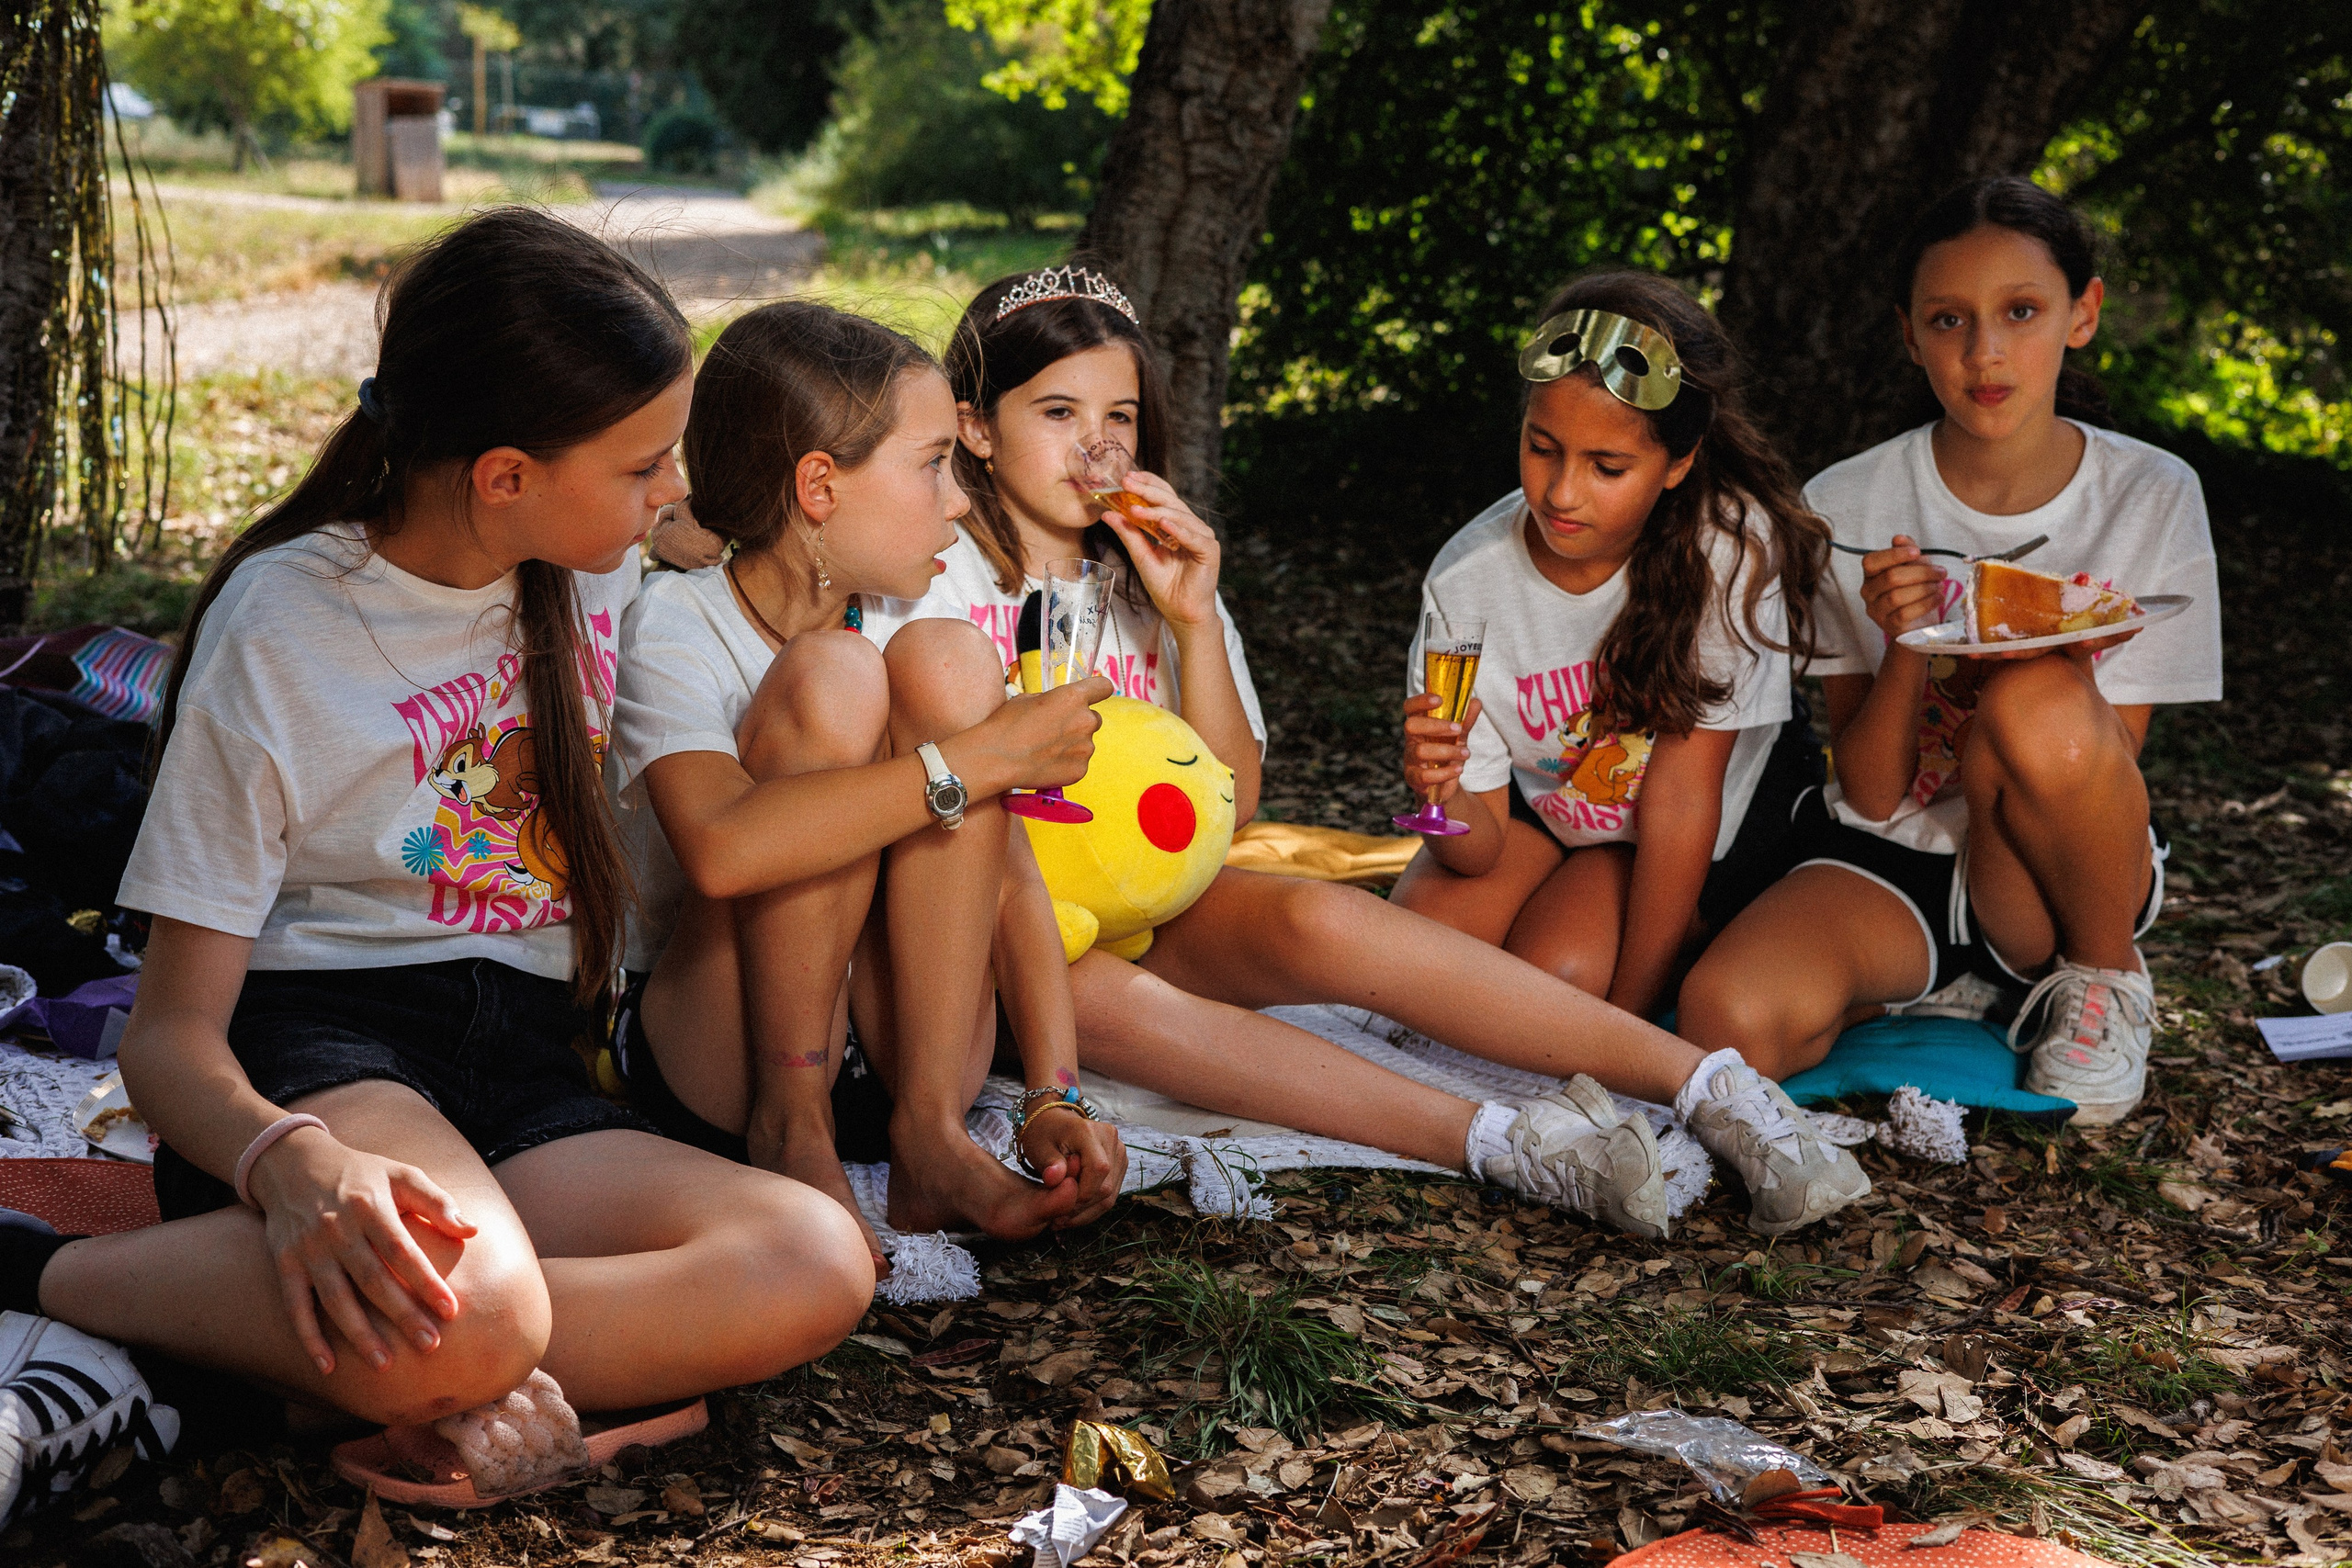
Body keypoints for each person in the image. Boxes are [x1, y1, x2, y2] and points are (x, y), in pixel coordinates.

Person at [0, 209, 873, 1526]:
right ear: (507, 474)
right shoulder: (286, 622)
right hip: (332, 1056)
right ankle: (52, 1267)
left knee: (818, 1257)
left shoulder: (584, 564)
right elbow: (169, 1037)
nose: (673, 493)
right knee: (484, 1308)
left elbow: (764, 586)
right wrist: (290, 1166)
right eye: (644, 464)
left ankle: (373, 1357)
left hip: (521, 1064)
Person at [847, 261, 1870, 1239]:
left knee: (1313, 917)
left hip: (1139, 906)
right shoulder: (928, 578)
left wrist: (1195, 620)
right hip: (990, 937)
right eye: (1057, 415)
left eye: (1118, 418)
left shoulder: (1148, 573)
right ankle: (1500, 1141)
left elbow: (1230, 808)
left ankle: (1713, 1086)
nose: (1095, 449)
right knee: (1098, 991)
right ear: (977, 430)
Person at [1678, 177, 2223, 1124]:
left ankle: (2099, 981)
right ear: (1908, 335)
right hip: (1887, 863)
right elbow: (1875, 793)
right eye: (1947, 321)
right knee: (1722, 1020)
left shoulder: (2149, 493)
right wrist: (1906, 645)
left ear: (2082, 314)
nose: (1985, 353)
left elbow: (2103, 762)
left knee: (2034, 702)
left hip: (2049, 872)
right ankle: (1923, 990)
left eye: (2020, 312)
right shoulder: (1847, 502)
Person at [605, 300, 1126, 1268]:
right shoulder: (673, 622)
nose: (960, 501)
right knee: (831, 675)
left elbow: (1009, 881)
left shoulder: (910, 620)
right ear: (818, 486)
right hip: (724, 1053)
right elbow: (723, 853)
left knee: (950, 658)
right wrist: (976, 763)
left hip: (901, 1049)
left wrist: (1056, 1089)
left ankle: (928, 1134)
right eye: (932, 466)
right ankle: (792, 1126)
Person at [1389, 272, 1830, 1022]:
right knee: (1406, 962)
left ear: (1679, 461)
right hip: (1550, 807)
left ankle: (1695, 942)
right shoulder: (1466, 583)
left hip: (1694, 832)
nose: (1562, 492)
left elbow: (1683, 801)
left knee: (1556, 979)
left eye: (1607, 467)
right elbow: (1479, 847)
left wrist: (1623, 1025)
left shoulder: (1727, 551)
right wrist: (1444, 787)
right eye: (1542, 447)